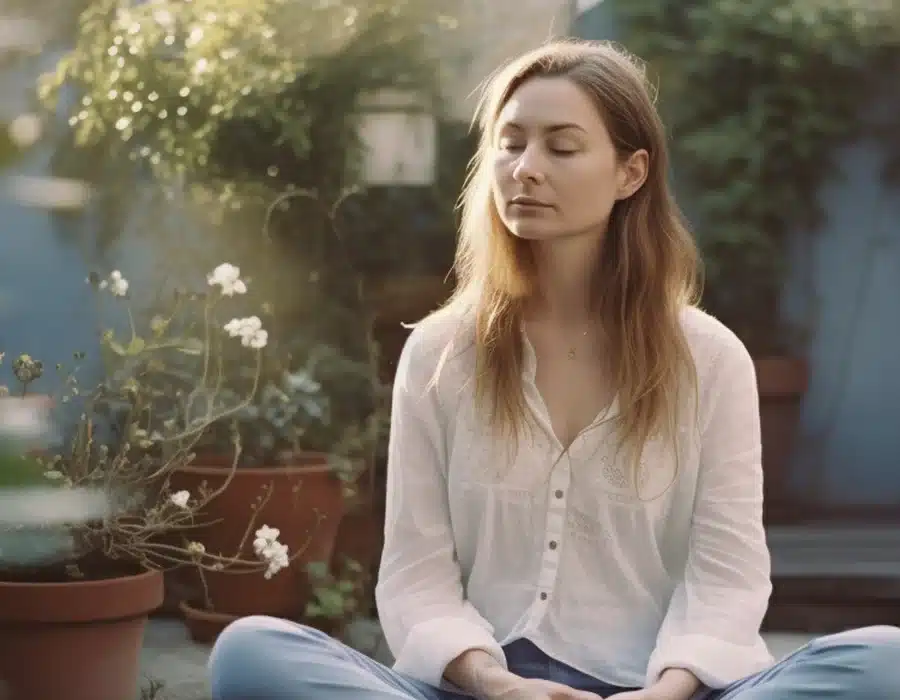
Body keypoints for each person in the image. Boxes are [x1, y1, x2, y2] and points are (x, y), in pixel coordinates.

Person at [207, 39, 900, 700]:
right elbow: (417, 573)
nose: (525, 168)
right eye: (510, 144)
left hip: (661, 686)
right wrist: (498, 683)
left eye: (561, 147)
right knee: (252, 650)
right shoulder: (442, 351)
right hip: (484, 688)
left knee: (882, 661)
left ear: (631, 172)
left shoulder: (710, 359)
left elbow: (728, 578)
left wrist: (666, 691)